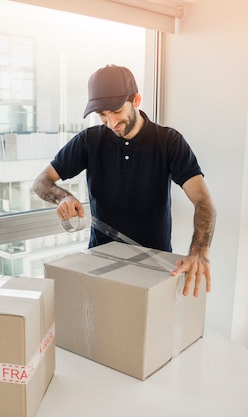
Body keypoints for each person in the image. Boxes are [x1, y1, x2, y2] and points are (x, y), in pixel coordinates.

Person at [33, 64, 216, 297]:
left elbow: (204, 203)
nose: (110, 123)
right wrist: (63, 197)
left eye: (116, 111)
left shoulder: (169, 142)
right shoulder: (89, 141)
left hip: (154, 266)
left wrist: (199, 251)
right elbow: (41, 182)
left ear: (136, 100)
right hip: (100, 263)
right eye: (102, 115)